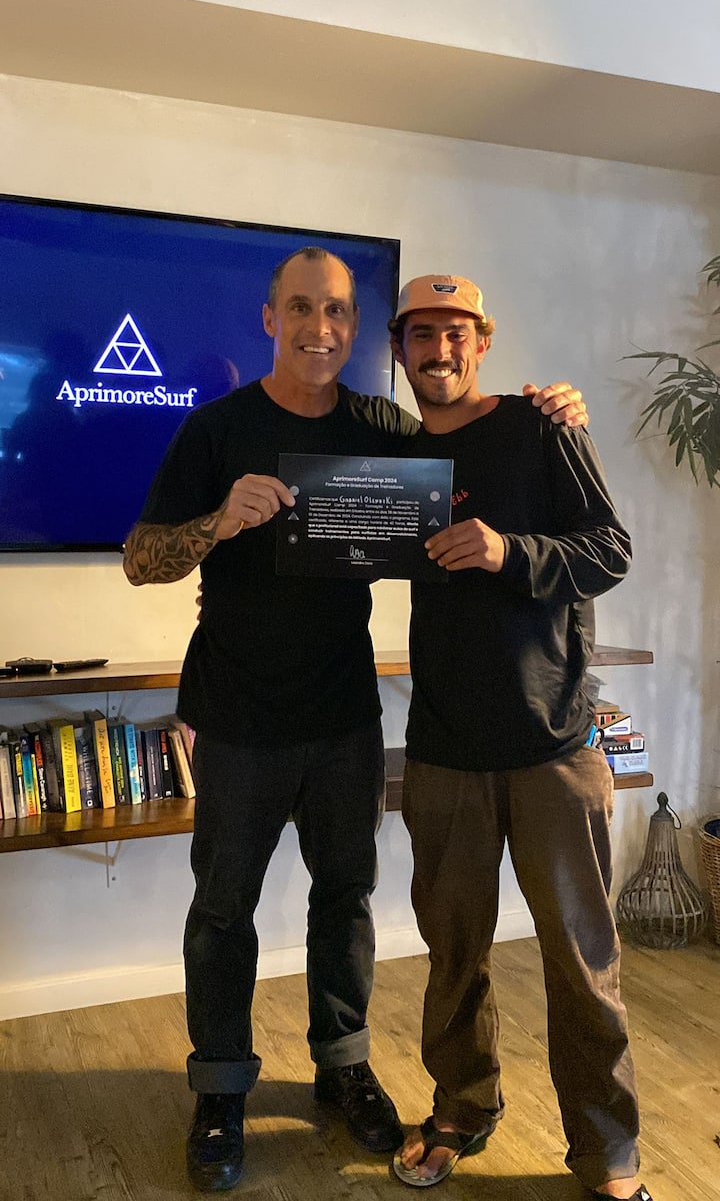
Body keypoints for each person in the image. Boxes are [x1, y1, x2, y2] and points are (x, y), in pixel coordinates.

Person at [122, 246, 588, 1194]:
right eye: (301, 308)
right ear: (270, 320)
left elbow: (473, 444)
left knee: (347, 901)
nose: (320, 327)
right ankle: (220, 1091)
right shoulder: (216, 429)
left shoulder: (382, 426)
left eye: (337, 310)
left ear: (355, 327)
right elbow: (140, 559)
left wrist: (555, 410)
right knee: (223, 911)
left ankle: (343, 1068)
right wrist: (218, 523)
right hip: (237, 718)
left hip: (344, 714)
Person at [387, 275, 652, 1201]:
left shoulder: (543, 426)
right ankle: (462, 1108)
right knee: (452, 956)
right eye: (423, 335)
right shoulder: (396, 453)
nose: (441, 351)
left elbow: (610, 550)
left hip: (554, 746)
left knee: (583, 965)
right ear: (400, 349)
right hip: (443, 747)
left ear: (484, 341)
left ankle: (607, 1154)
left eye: (457, 333)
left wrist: (510, 551)